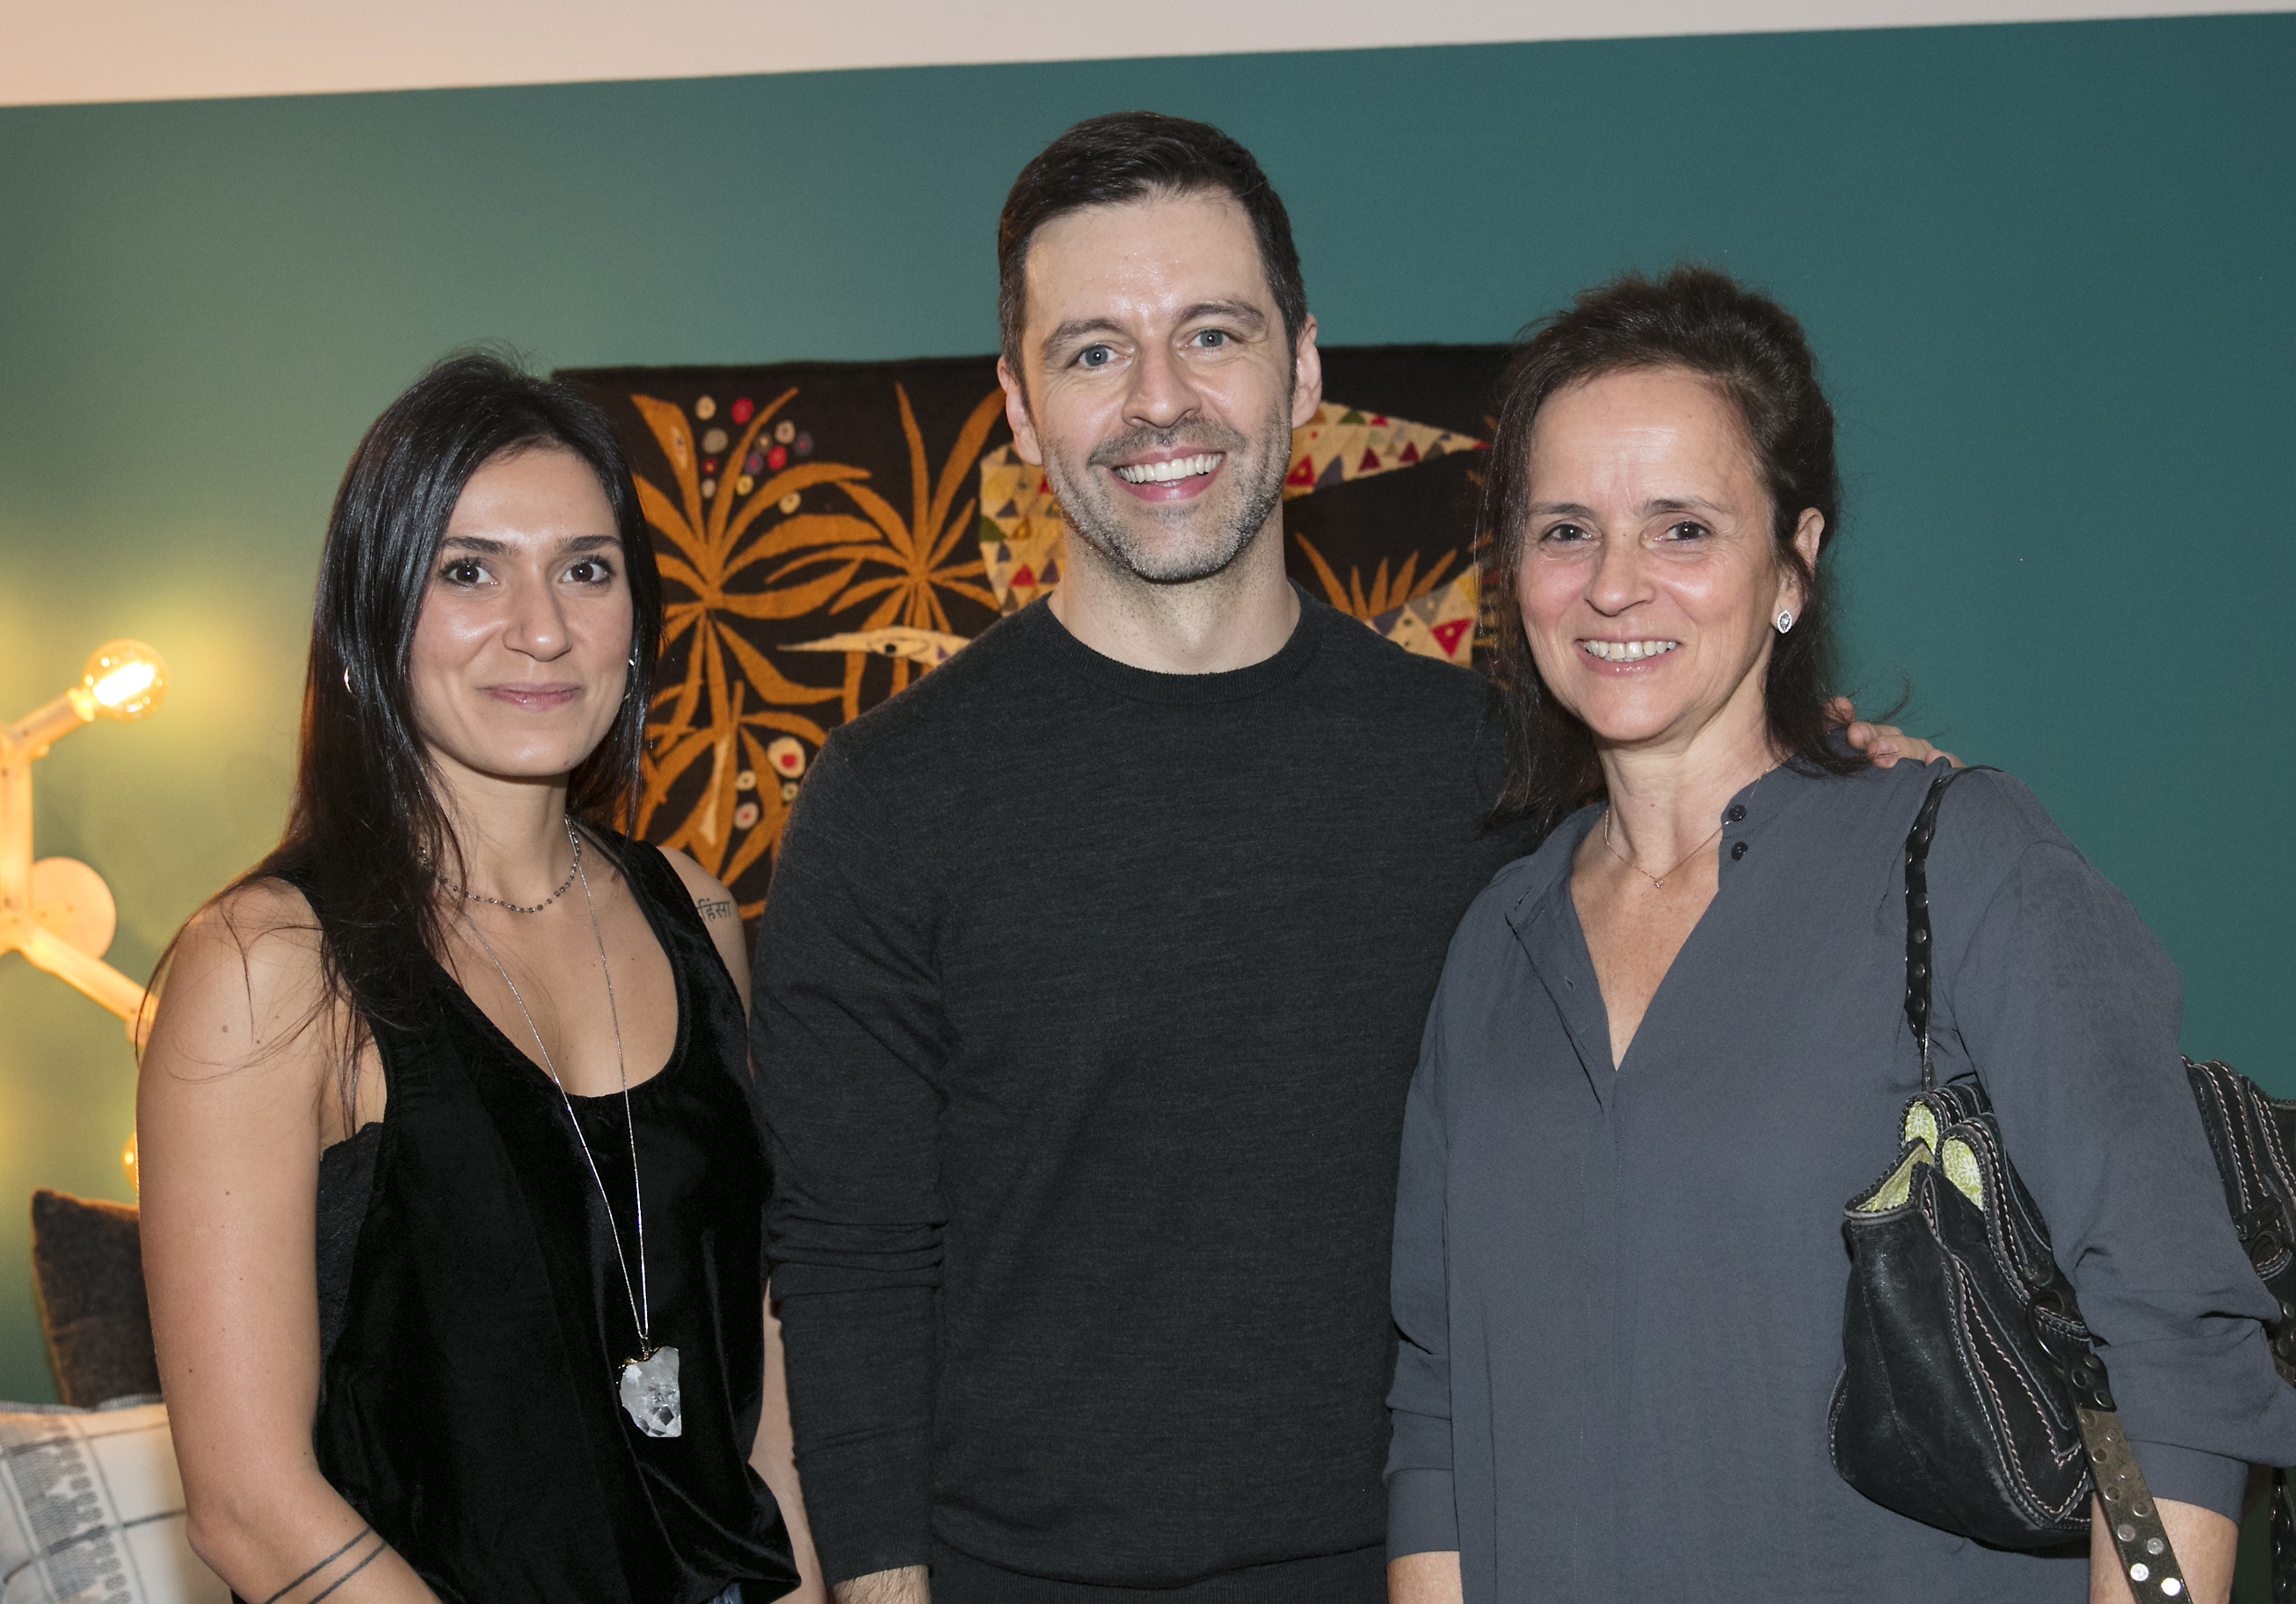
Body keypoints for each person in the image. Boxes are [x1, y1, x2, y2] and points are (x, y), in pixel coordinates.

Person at [752, 117, 1939, 1604]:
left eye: (1211, 333)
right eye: (1093, 351)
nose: (1159, 400)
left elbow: (1722, 848)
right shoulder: (887, 795)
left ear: (1304, 369)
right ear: (1016, 404)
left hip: (1449, 1563)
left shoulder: (1506, 764)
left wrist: (1844, 783)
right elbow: (853, 1262)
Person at [1381, 266, 2296, 1603]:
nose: (1612, 585)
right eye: (1563, 530)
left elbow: (2177, 1340)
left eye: (1682, 528)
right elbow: (1437, 1408)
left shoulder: (1963, 863)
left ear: (1794, 559)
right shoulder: (1496, 942)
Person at [137, 354, 803, 1604]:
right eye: (469, 570)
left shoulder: (696, 909)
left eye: (586, 569)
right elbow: (248, 1507)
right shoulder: (268, 965)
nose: (542, 626)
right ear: (365, 621)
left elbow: (756, 1356)